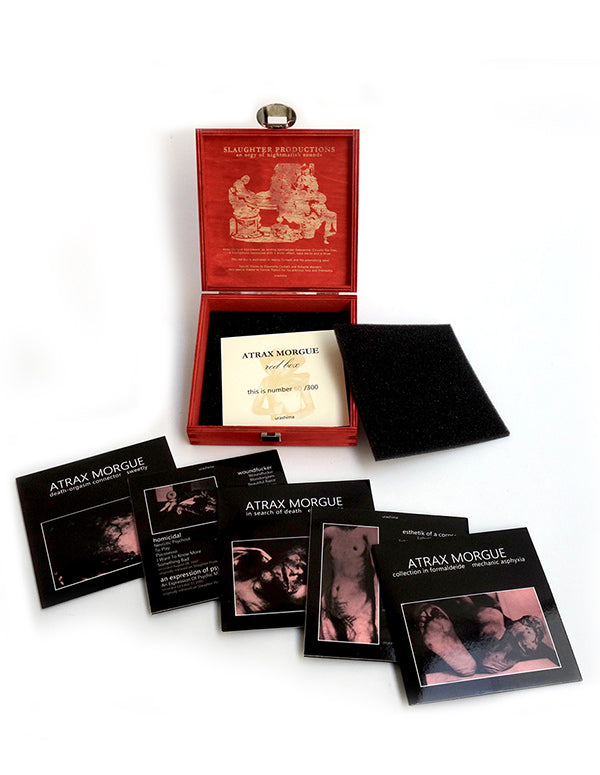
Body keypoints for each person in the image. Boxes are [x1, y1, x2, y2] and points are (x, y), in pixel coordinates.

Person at [412, 594, 558, 679]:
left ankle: (471, 650)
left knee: (486, 614)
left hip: (453, 616)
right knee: (491, 615)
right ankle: (493, 635)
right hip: (478, 619)